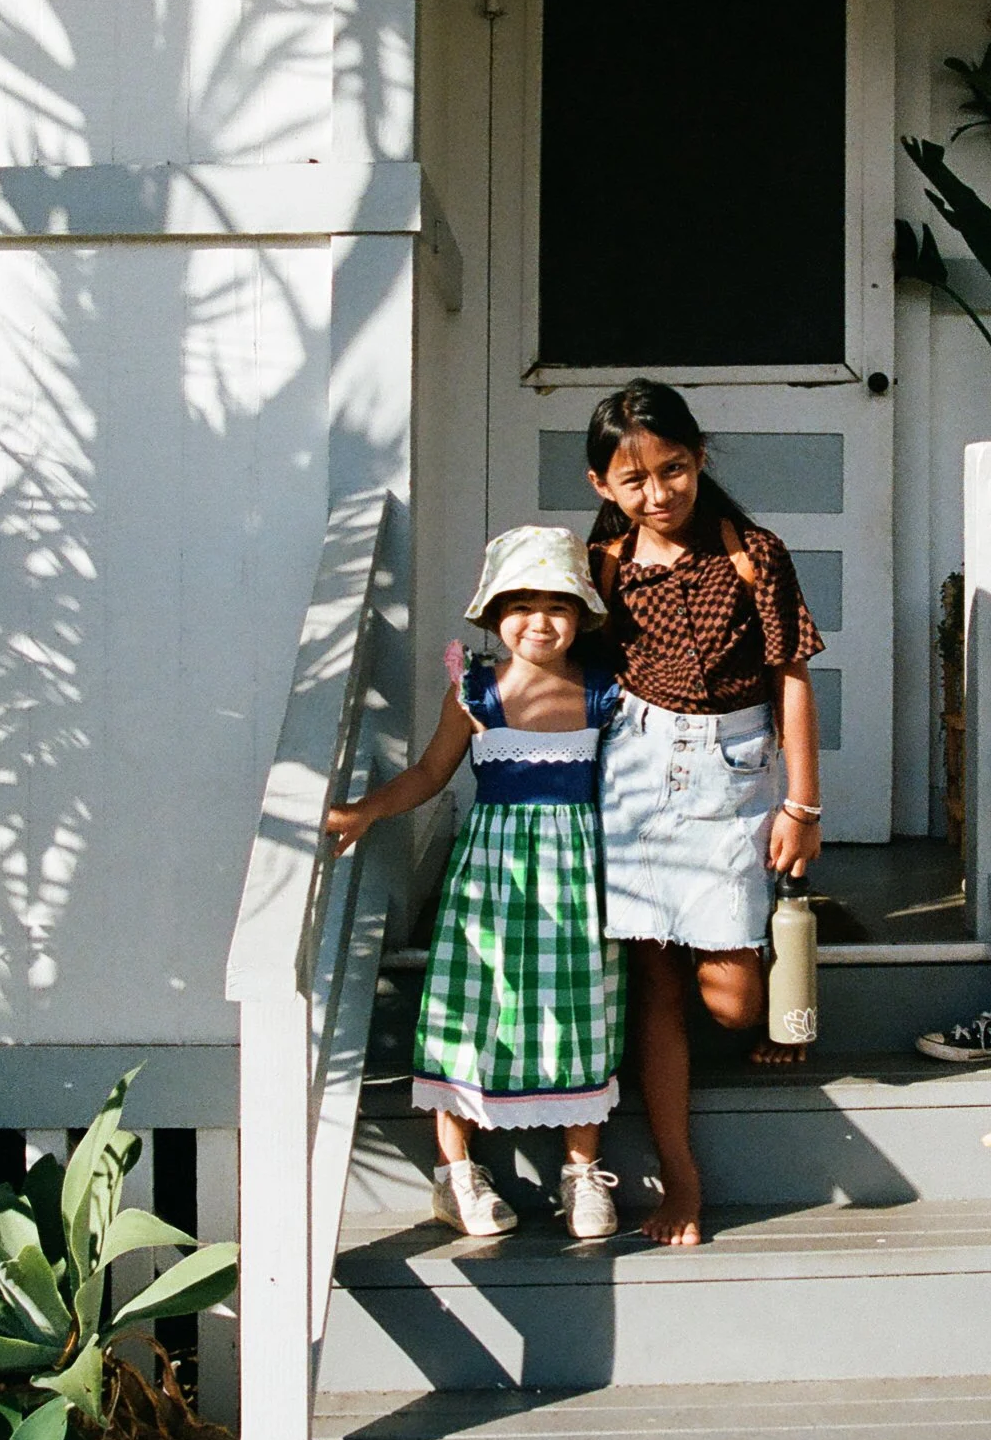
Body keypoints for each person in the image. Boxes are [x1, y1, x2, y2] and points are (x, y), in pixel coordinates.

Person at [325, 525, 623, 1243]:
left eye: (556, 604)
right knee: (470, 1005)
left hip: (579, 878)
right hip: (492, 877)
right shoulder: (476, 693)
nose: (538, 621)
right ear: (492, 616)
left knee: (578, 1009)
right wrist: (367, 810)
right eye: (518, 605)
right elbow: (429, 774)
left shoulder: (604, 694)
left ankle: (581, 1169)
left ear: (581, 614)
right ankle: (455, 1172)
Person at [584, 378, 825, 1247]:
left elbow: (790, 676)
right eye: (636, 479)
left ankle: (773, 943)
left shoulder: (751, 552)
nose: (659, 493)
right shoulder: (604, 565)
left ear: (699, 458)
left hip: (732, 773)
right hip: (638, 771)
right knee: (653, 976)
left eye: (674, 468)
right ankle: (679, 1174)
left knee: (728, 1006)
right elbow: (574, 667)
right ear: (603, 486)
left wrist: (802, 801)